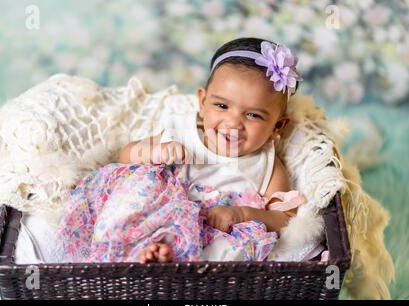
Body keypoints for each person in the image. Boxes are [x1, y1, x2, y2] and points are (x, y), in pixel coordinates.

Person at [118, 37, 305, 263]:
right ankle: (147, 249)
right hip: (162, 217)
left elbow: (285, 219)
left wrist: (242, 214)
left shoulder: (266, 165)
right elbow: (125, 157)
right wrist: (154, 152)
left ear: (277, 126)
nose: (233, 123)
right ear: (203, 102)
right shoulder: (181, 132)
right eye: (222, 106)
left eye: (253, 115)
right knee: (138, 190)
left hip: (213, 239)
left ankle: (172, 261)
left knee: (239, 247)